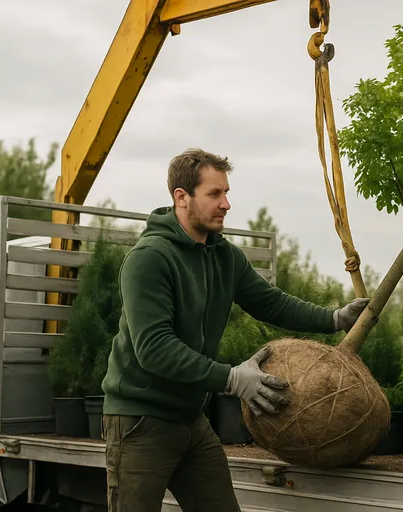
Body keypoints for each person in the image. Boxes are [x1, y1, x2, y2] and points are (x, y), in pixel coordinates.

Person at [100, 148, 369, 511]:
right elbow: (155, 348)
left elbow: (271, 303)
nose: (226, 203)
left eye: (226, 193)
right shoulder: (149, 259)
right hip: (139, 422)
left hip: (189, 419)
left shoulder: (224, 256)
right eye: (214, 194)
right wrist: (231, 379)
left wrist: (334, 319)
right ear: (182, 197)